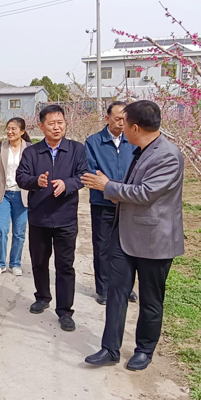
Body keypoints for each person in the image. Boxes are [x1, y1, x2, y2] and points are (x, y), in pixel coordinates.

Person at [83, 100, 184, 371]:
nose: (120, 127)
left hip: (155, 240)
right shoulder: (141, 150)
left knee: (150, 300)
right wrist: (111, 189)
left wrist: (107, 186)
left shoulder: (167, 155)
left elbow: (145, 193)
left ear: (135, 128)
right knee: (116, 293)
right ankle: (110, 348)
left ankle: (144, 350)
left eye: (124, 122)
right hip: (125, 235)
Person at [16, 104, 88, 332]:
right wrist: (36, 181)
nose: (57, 127)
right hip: (39, 217)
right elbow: (20, 177)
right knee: (39, 262)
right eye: (52, 123)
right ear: (41, 126)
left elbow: (83, 176)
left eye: (60, 123)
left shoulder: (76, 149)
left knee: (65, 265)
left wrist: (67, 184)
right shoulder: (32, 152)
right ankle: (42, 297)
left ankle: (65, 311)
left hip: (66, 218)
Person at [84, 101, 138, 305]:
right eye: (117, 119)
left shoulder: (133, 141)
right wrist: (109, 190)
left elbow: (138, 170)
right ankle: (104, 289)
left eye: (125, 119)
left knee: (128, 247)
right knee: (103, 247)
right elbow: (90, 172)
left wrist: (118, 189)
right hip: (102, 203)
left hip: (128, 202)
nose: (122, 123)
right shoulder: (93, 142)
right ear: (107, 119)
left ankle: (126, 287)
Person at [0, 117, 31, 277]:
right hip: (4, 194)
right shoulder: (0, 147)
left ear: (22, 131)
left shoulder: (29, 149)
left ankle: (15, 263)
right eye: (8, 128)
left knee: (19, 232)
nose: (10, 131)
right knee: (1, 229)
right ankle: (0, 263)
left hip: (22, 195)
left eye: (14, 129)